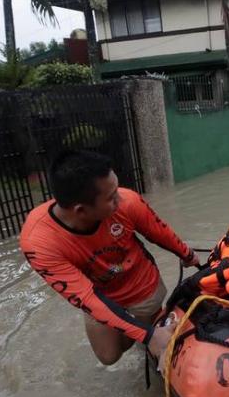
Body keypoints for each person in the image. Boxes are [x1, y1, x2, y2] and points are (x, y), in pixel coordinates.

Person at [20, 151, 199, 367]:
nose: (120, 198)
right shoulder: (39, 243)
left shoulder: (128, 202)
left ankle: (151, 325)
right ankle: (146, 330)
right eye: (111, 197)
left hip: (140, 285)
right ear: (81, 211)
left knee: (144, 337)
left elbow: (159, 232)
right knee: (109, 356)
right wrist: (148, 335)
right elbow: (87, 298)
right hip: (99, 293)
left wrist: (188, 255)